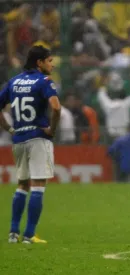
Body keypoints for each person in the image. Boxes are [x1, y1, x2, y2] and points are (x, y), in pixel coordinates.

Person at [0, 45, 61, 244]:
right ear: (39, 63)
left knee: (22, 184)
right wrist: (51, 129)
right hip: (37, 138)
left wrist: (9, 129)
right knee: (38, 185)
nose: (52, 64)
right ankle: (29, 235)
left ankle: (13, 233)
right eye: (49, 60)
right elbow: (56, 107)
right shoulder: (44, 81)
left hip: (18, 139)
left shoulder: (14, 81)